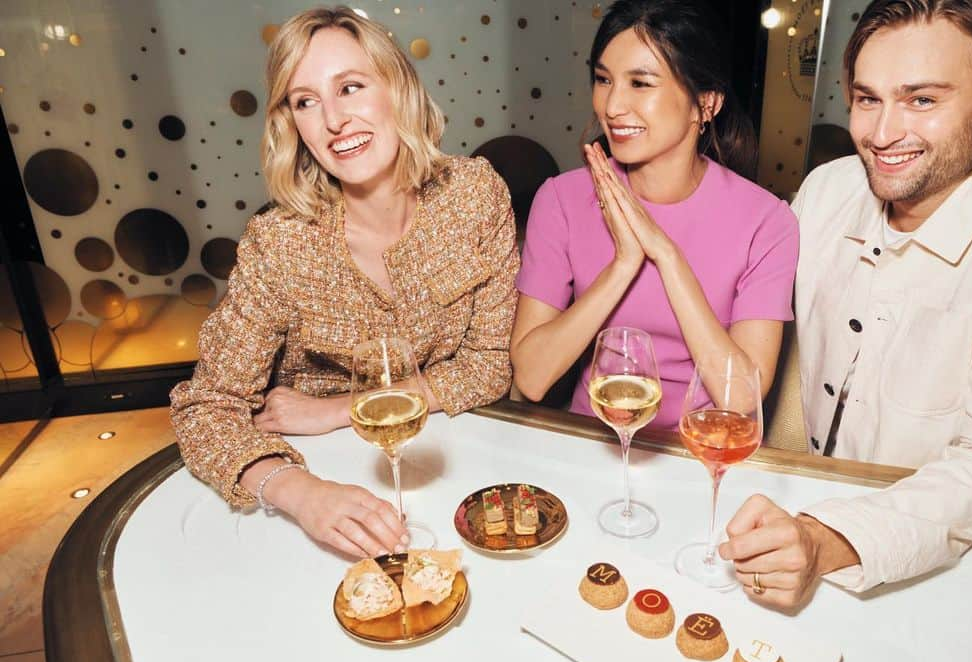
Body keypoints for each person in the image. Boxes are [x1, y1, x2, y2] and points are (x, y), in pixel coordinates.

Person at [720, 0, 972, 608]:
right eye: (867, 99)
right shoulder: (825, 190)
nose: (882, 135)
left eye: (922, 100)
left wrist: (829, 536)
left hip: (945, 564)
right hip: (790, 511)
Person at [170, 7, 519, 558]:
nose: (333, 120)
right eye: (306, 101)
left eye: (350, 87)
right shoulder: (279, 243)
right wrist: (301, 493)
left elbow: (489, 366)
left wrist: (343, 407)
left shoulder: (475, 195)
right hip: (317, 477)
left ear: (397, 88)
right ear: (293, 124)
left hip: (443, 452)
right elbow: (206, 409)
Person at [511, 0, 798, 429]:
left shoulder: (766, 221)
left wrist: (666, 255)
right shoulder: (561, 200)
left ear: (706, 103)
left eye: (640, 83)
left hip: (701, 451)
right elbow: (531, 379)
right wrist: (624, 264)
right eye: (603, 79)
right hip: (592, 440)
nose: (611, 106)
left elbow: (741, 399)